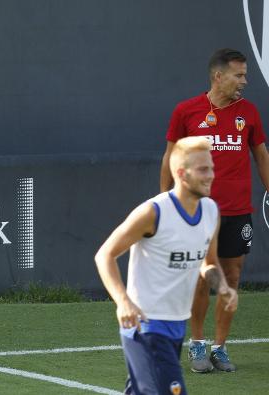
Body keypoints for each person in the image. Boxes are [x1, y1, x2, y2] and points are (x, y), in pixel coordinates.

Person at [96, 136, 238, 394]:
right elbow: (105, 255)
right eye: (203, 169)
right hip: (146, 327)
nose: (211, 175)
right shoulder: (153, 212)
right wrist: (123, 302)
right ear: (182, 174)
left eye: (212, 168)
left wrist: (224, 288)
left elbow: (208, 263)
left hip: (176, 325)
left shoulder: (210, 211)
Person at [159, 48, 269, 372]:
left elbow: (261, 156)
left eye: (246, 74)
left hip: (237, 211)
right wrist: (164, 199)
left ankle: (220, 347)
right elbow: (169, 156)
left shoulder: (248, 113)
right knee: (200, 278)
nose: (245, 81)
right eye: (239, 75)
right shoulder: (187, 111)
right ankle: (197, 345)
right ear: (218, 77)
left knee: (231, 276)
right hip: (196, 211)